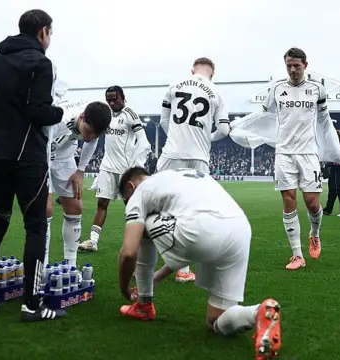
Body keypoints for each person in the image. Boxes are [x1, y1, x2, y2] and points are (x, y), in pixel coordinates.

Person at [116, 167, 282, 359]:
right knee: (216, 321)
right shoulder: (177, 175)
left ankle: (143, 304)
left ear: (131, 186)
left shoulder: (142, 191)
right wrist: (158, 277)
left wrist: (124, 290)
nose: (128, 206)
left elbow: (128, 253)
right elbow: (192, 237)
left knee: (141, 224)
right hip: (239, 230)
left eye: (126, 201)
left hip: (201, 229)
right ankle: (260, 312)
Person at [0, 9, 68, 322]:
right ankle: (32, 304)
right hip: (27, 156)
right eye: (50, 33)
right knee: (36, 226)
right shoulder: (41, 63)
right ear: (42, 31)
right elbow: (38, 110)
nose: (50, 40)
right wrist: (59, 113)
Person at [260, 48, 340, 270]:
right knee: (289, 200)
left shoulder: (317, 89)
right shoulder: (276, 89)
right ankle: (297, 255)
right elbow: (264, 117)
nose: (293, 69)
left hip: (308, 152)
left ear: (305, 65)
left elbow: (325, 120)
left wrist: (332, 148)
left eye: (296, 65)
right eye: (289, 65)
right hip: (284, 152)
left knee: (312, 202)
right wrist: (242, 128)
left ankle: (314, 234)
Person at [154, 57, 231, 283]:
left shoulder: (174, 85)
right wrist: (206, 138)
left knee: (160, 208)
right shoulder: (217, 93)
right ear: (212, 74)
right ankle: (184, 269)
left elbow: (163, 123)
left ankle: (147, 260)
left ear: (192, 70)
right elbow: (225, 131)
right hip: (198, 158)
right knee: (192, 211)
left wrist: (178, 139)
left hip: (171, 155)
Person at [79, 86, 151, 253]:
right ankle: (93, 241)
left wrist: (137, 163)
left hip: (125, 169)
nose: (111, 102)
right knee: (102, 203)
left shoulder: (130, 115)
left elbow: (143, 140)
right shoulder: (106, 115)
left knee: (132, 206)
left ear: (123, 97)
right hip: (107, 166)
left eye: (114, 99)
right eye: (108, 100)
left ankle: (139, 243)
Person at [44, 99, 111, 267]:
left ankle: (71, 265)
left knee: (75, 207)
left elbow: (92, 141)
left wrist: (80, 171)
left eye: (95, 135)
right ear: (81, 117)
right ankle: (42, 266)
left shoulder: (94, 119)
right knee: (45, 209)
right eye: (87, 131)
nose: (88, 138)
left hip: (64, 157)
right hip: (40, 155)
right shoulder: (59, 120)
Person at [323, 129, 340, 216]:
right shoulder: (334, 147)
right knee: (332, 191)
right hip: (334, 171)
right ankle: (328, 209)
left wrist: (330, 162)